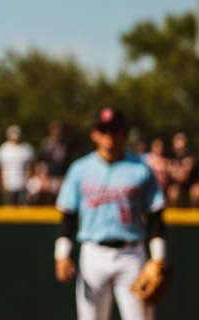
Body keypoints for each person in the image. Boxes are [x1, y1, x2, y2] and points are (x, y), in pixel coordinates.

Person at [54, 107, 168, 320]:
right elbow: (68, 215)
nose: (109, 135)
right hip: (93, 254)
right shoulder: (80, 169)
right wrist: (61, 255)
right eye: (104, 129)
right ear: (94, 133)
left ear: (124, 133)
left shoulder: (141, 169)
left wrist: (158, 259)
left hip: (131, 255)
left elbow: (156, 215)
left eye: (115, 130)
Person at [165, 133, 199, 207]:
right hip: (176, 184)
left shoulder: (191, 155)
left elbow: (184, 174)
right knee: (173, 192)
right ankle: (173, 216)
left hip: (192, 183)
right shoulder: (170, 156)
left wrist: (178, 172)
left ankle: (195, 216)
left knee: (197, 191)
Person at [0, 125, 33, 206]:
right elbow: (0, 168)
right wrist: (1, 183)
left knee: (23, 206)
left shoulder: (26, 149)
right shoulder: (4, 149)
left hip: (23, 184)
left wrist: (29, 182)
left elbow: (30, 167)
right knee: (8, 206)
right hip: (8, 184)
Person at [40, 121, 70, 197]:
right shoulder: (46, 144)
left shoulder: (64, 145)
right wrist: (44, 177)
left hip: (61, 176)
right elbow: (42, 162)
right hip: (48, 177)